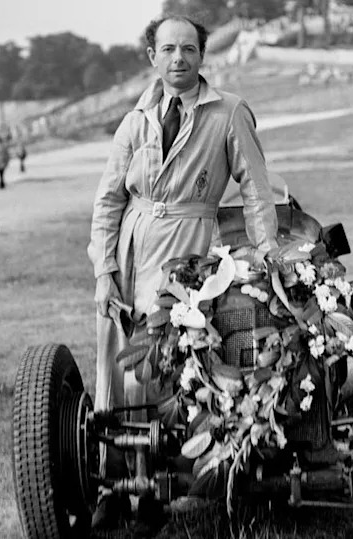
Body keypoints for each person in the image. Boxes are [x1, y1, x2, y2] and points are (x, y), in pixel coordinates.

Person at [86, 14, 278, 530]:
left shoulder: (229, 113)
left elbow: (256, 190)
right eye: (167, 49)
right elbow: (108, 200)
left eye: (188, 49)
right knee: (115, 372)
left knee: (162, 369)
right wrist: (104, 271)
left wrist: (267, 257)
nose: (178, 59)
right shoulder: (135, 119)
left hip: (186, 250)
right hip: (130, 248)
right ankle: (112, 482)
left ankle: (154, 491)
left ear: (202, 56)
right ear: (152, 56)